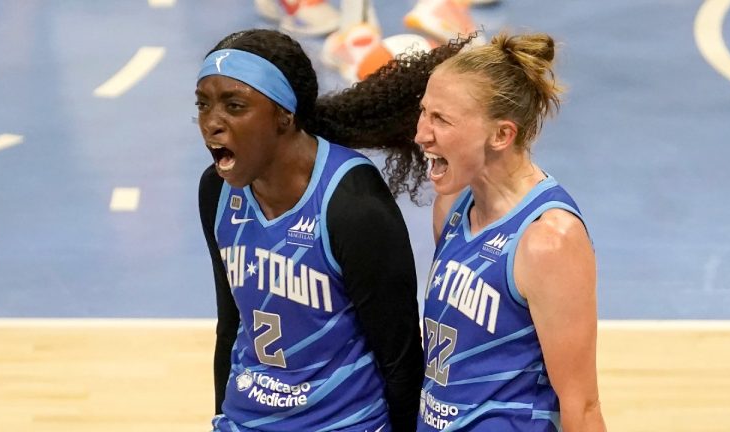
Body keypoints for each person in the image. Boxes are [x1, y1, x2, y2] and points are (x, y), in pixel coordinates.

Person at [196, 28, 471, 432]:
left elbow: (400, 358)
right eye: (203, 105)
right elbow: (231, 323)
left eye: (234, 106)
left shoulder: (352, 205)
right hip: (248, 417)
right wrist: (222, 414)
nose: (211, 124)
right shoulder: (217, 191)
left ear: (284, 115)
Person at [411, 32, 607, 430]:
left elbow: (582, 404)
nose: (421, 134)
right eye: (424, 112)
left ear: (502, 135)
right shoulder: (452, 207)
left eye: (441, 119)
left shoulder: (548, 241)